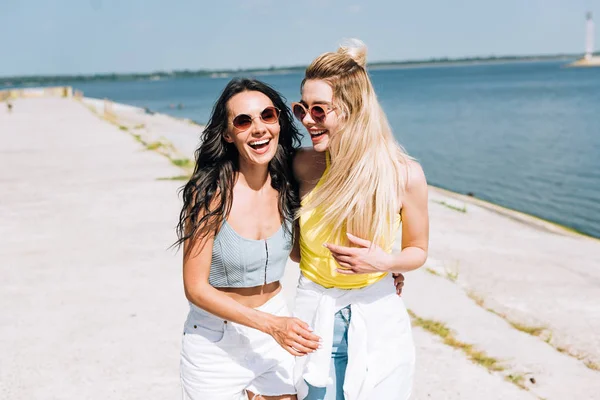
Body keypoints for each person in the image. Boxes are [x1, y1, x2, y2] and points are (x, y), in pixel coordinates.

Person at [290, 39, 430, 400]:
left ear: (353, 109)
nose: (307, 120)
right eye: (301, 109)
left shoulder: (404, 175)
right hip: (312, 321)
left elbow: (417, 250)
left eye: (319, 110)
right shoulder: (301, 165)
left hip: (378, 320)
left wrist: (386, 262)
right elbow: (290, 249)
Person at [175, 78, 322, 400]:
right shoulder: (211, 194)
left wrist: (379, 269)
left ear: (279, 122)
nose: (258, 128)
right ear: (228, 135)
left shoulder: (288, 183)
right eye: (243, 121)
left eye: (267, 116)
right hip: (216, 340)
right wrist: (270, 325)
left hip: (276, 327)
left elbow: (304, 252)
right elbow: (195, 288)